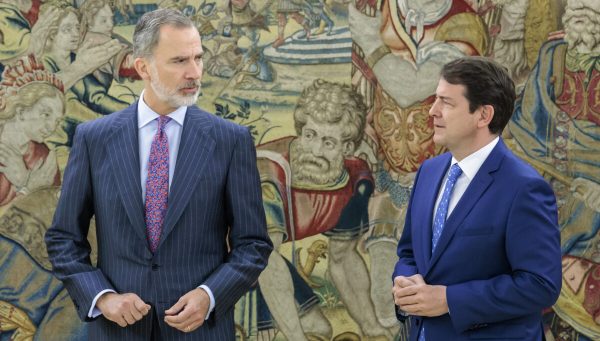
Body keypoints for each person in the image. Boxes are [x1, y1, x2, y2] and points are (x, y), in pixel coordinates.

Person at [44, 8, 272, 341]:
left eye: (198, 58)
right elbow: (64, 238)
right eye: (179, 61)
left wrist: (210, 295)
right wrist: (103, 298)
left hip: (201, 332)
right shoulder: (94, 139)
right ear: (143, 67)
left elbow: (253, 244)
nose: (194, 72)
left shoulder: (230, 140)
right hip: (118, 333)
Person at [392, 56, 562, 340]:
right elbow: (409, 252)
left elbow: (540, 285)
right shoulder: (429, 172)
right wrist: (405, 283)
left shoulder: (525, 188)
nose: (432, 111)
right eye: (436, 100)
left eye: (446, 102)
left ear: (483, 115)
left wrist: (449, 300)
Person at [255, 79, 392, 340]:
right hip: (226, 259)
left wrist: (371, 328)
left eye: (328, 142)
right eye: (309, 135)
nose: (315, 150)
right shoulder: (268, 174)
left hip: (261, 260)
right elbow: (263, 258)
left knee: (321, 329)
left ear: (347, 148)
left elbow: (343, 258)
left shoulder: (355, 181)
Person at [508, 0, 600, 338]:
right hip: (555, 173)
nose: (582, 20)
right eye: (575, 12)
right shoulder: (554, 54)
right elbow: (529, 121)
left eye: (592, 13)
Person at [0, 54, 64, 210]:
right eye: (46, 114)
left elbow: (51, 213)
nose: (51, 127)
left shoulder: (43, 157)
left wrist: (24, 180)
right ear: (21, 111)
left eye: (57, 121)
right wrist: (28, 188)